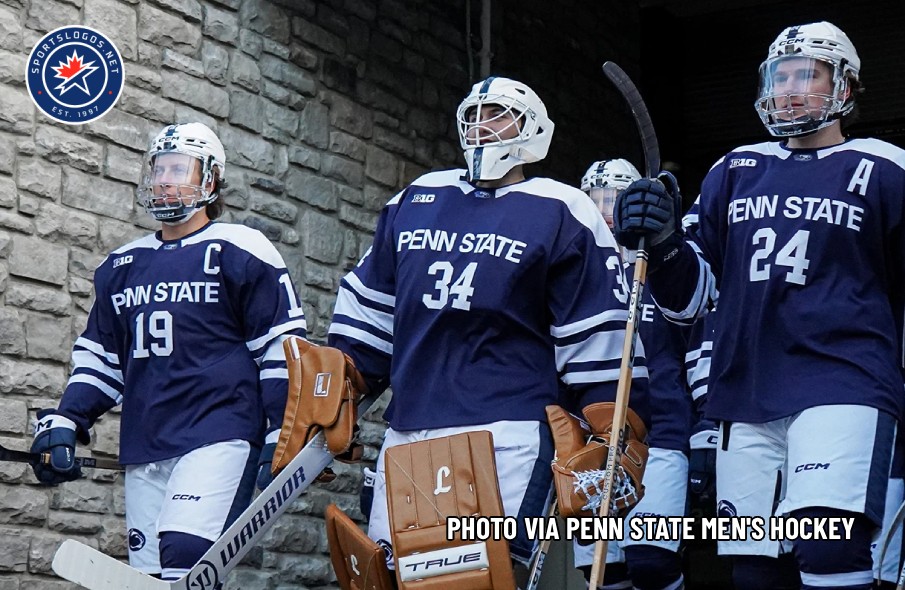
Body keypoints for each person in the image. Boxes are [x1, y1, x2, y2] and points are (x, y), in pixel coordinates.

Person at [612, 21, 905, 590]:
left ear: (845, 87)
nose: (790, 88)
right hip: (744, 392)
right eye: (781, 75)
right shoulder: (736, 168)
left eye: (807, 75)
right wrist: (666, 244)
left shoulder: (886, 167)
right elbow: (691, 301)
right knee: (756, 570)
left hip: (843, 382)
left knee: (829, 548)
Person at [326, 76, 651, 578]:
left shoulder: (562, 209)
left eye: (498, 114)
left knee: (475, 579)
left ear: (533, 129)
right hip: (410, 427)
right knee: (392, 578)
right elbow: (371, 312)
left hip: (507, 432)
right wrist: (338, 384)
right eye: (474, 116)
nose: (483, 126)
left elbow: (597, 332)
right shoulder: (417, 197)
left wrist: (614, 430)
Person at [30, 122, 308, 581]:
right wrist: (67, 420)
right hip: (147, 442)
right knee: (151, 577)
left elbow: (280, 345)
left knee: (185, 555)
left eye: (178, 169)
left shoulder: (240, 248)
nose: (163, 180)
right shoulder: (121, 264)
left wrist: (284, 429)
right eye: (159, 169)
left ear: (210, 180)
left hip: (218, 433)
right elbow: (103, 359)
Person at [573, 159, 692, 590]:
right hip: (597, 436)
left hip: (662, 431)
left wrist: (705, 428)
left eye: (614, 201)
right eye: (596, 200)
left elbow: (696, 340)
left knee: (651, 561)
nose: (605, 212)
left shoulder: (668, 265)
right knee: (605, 570)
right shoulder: (576, 272)